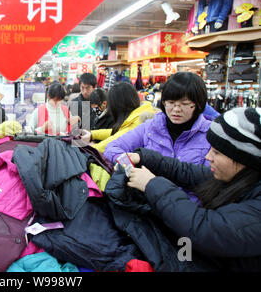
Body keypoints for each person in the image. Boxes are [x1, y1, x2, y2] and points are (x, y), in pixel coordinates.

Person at [123, 107, 261, 271]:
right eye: (170, 102)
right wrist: (145, 157)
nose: (208, 157)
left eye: (217, 153)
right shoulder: (237, 179)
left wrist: (151, 184)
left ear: (244, 159)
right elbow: (185, 171)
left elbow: (203, 228)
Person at [104, 72, 212, 167]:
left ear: (199, 104)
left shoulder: (210, 135)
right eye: (170, 103)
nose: (176, 109)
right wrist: (129, 167)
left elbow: (209, 178)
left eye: (185, 104)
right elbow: (112, 147)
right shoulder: (151, 127)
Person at [80, 82, 156, 153]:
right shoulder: (138, 114)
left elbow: (118, 138)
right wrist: (92, 134)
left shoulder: (137, 123)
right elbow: (118, 132)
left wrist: (93, 148)